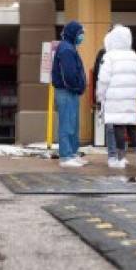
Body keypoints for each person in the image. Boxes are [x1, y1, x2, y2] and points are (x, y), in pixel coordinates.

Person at [96, 25, 136, 169]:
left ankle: (121, 158)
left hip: (114, 98)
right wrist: (135, 93)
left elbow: (103, 79)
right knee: (132, 128)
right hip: (130, 98)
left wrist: (100, 96)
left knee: (118, 127)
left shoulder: (109, 56)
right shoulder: (134, 56)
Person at [51, 20, 88, 168]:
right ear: (73, 33)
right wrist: (77, 86)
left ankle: (72, 153)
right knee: (67, 124)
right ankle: (66, 156)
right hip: (66, 91)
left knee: (73, 124)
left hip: (70, 92)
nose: (82, 36)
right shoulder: (66, 49)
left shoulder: (69, 47)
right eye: (80, 33)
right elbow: (69, 74)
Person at [92, 40, 117, 162]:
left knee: (121, 125)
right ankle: (113, 154)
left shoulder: (125, 54)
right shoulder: (103, 54)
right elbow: (98, 75)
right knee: (111, 126)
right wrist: (99, 95)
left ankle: (120, 152)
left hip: (119, 94)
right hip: (108, 94)